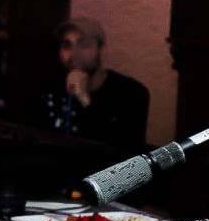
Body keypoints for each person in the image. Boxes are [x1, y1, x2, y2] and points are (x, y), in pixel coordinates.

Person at [37, 17, 149, 151]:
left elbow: (124, 149)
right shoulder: (49, 89)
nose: (74, 54)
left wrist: (84, 99)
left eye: (84, 45)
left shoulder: (132, 93)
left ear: (101, 50)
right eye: (67, 45)